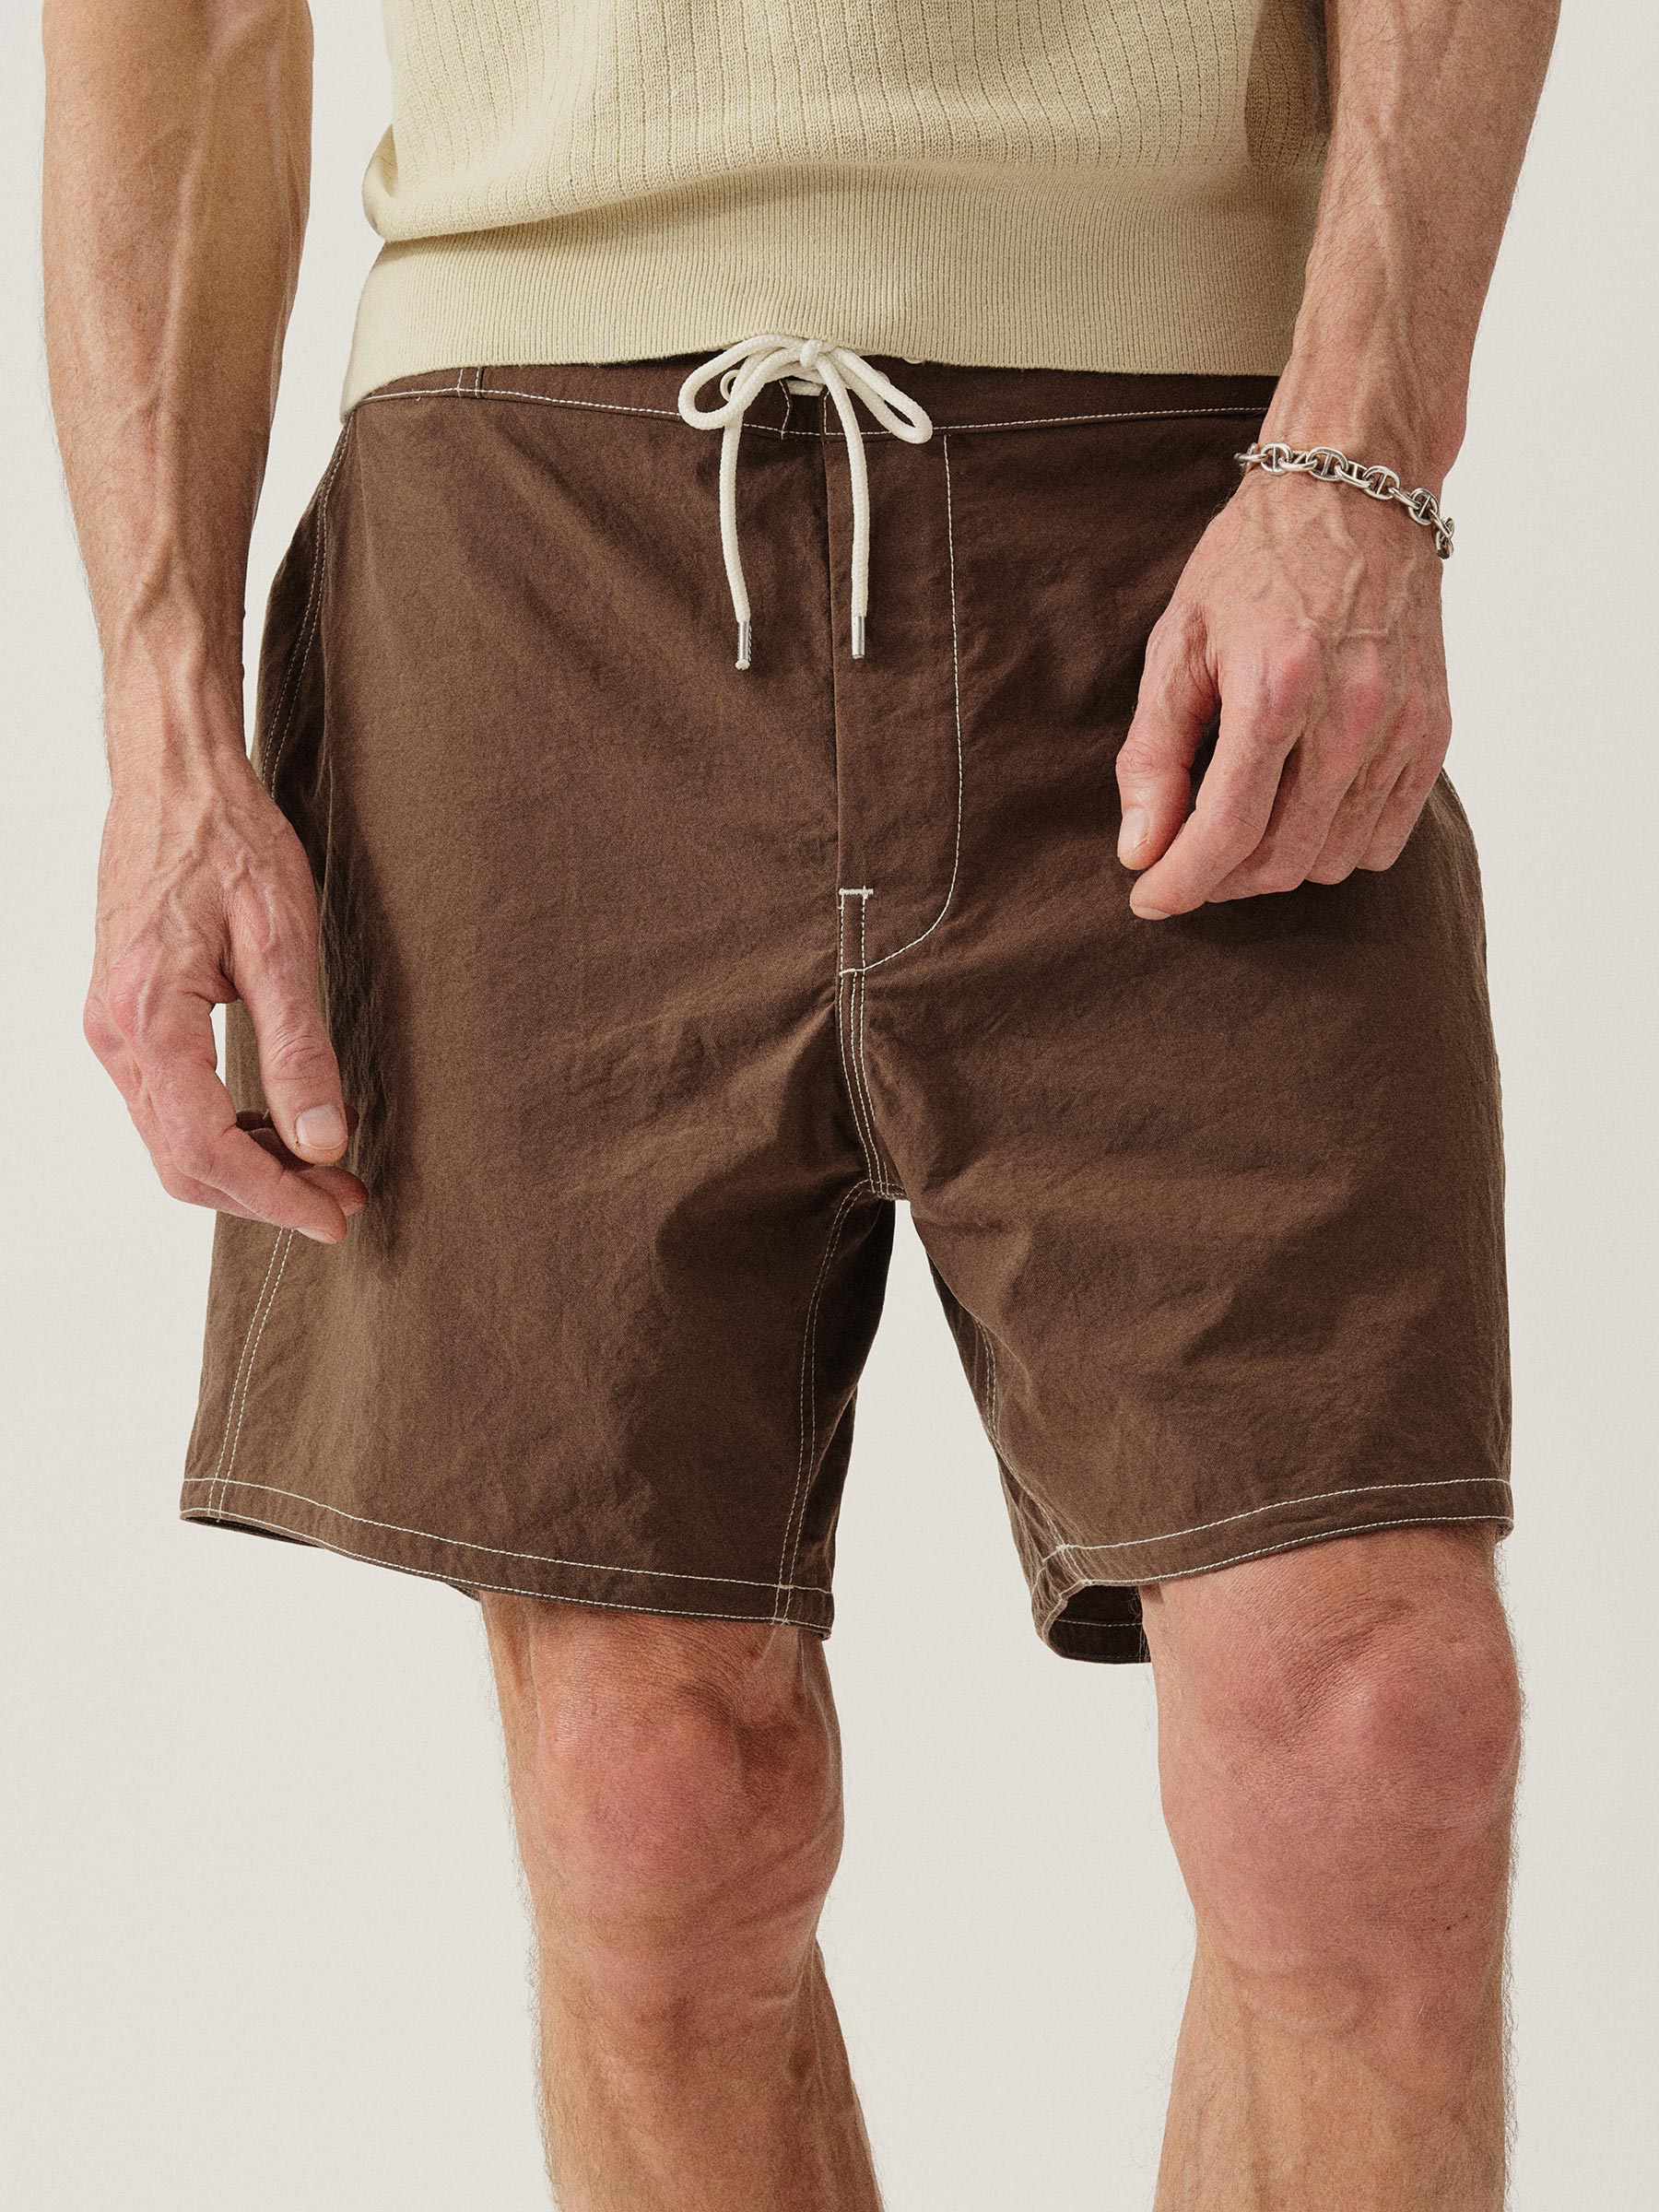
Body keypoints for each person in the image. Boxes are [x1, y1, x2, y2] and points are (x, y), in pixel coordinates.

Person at [43, 1, 1560, 2203]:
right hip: (533, 522)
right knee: (652, 1803)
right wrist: (163, 721)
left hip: (1192, 495)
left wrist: (1361, 454)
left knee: (1371, 1744)